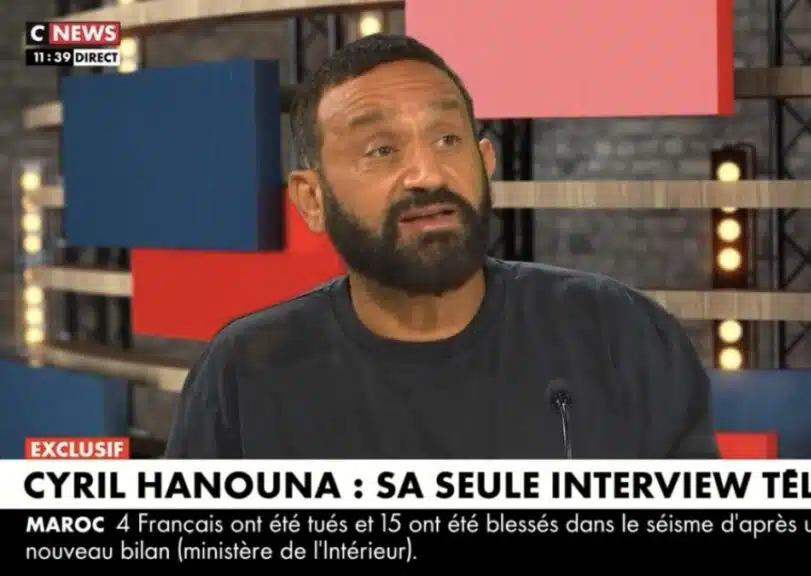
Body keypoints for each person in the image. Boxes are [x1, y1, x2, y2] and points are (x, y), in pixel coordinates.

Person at [163, 33, 717, 460]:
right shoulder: (242, 375)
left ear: (485, 163)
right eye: (381, 149)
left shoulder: (619, 333)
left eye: (448, 139)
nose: (427, 173)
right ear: (312, 198)